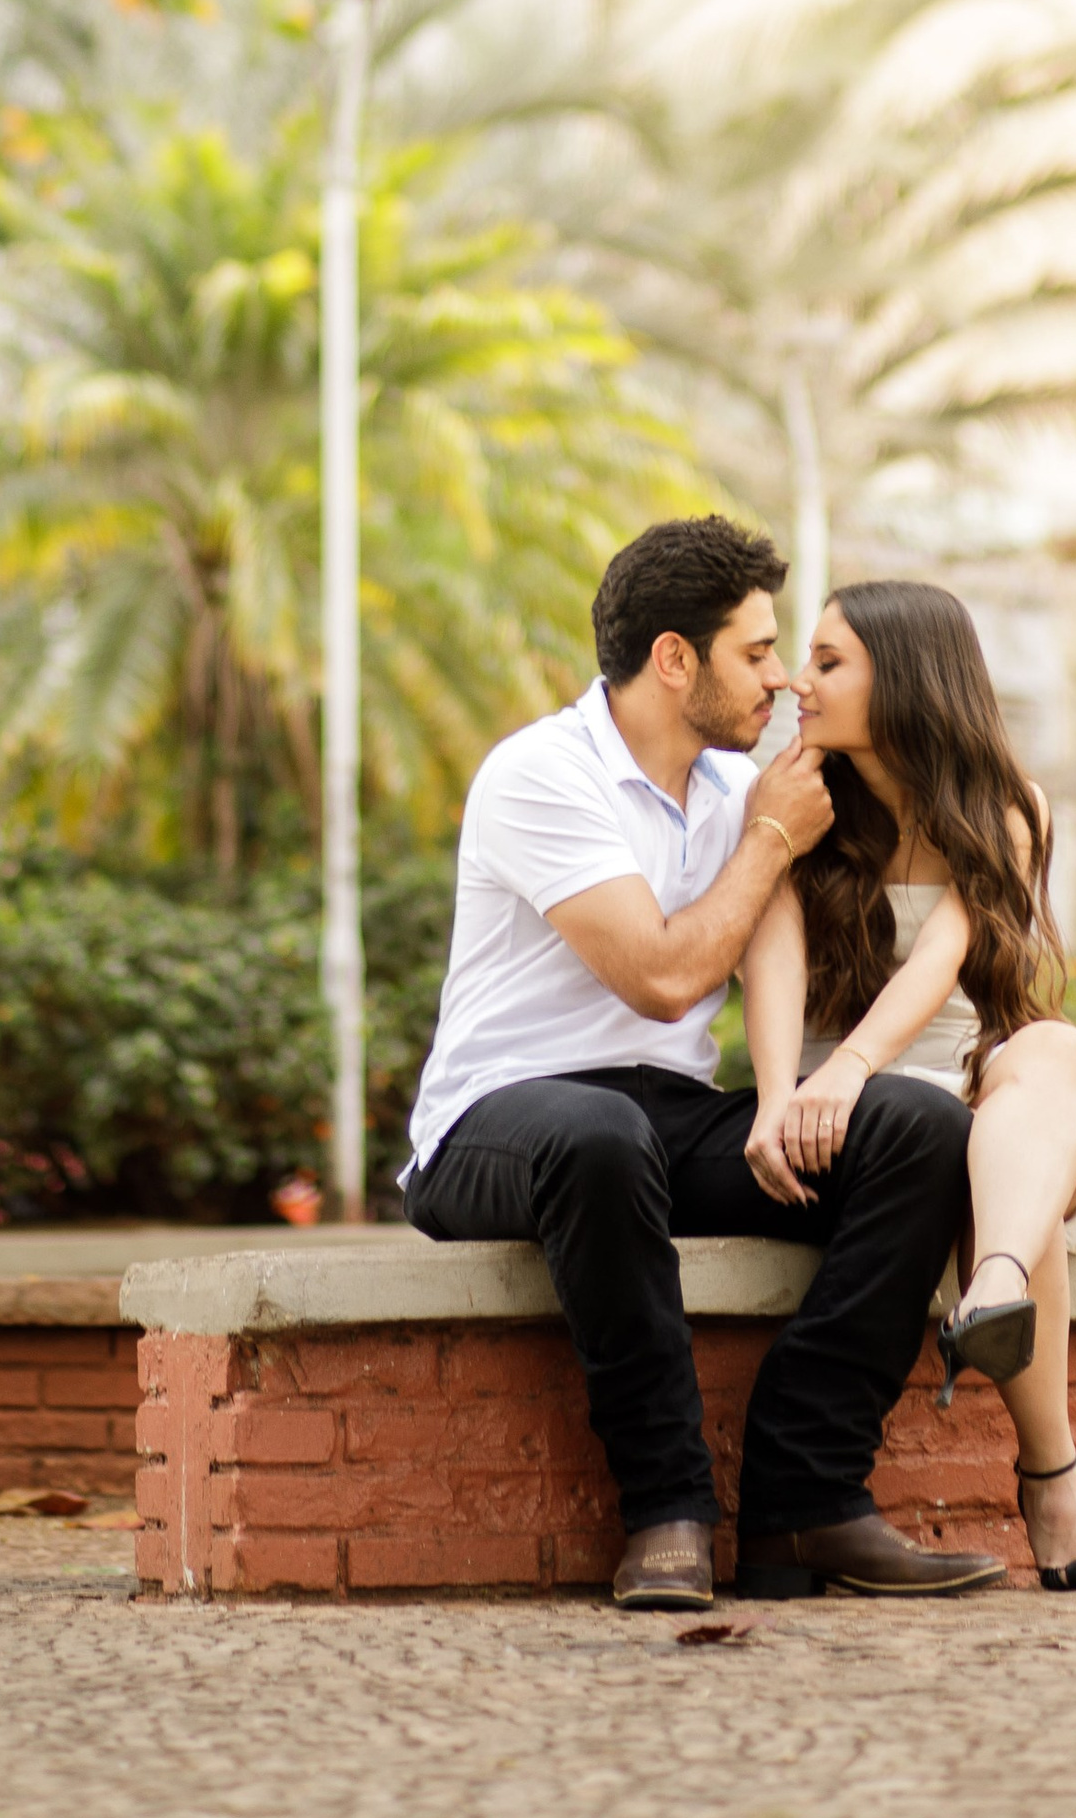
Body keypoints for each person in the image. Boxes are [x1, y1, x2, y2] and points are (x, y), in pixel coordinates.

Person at [400, 513, 1005, 1611]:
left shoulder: (736, 786)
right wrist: (770, 838)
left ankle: (805, 1491)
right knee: (598, 1131)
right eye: (755, 650)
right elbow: (666, 978)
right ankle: (667, 1507)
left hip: (662, 1123)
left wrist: (785, 1098)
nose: (778, 678)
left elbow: (824, 899)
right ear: (674, 659)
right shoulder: (541, 772)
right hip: (498, 1125)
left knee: (917, 1129)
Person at [742, 577, 1076, 1595]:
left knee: (1048, 1048)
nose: (796, 676)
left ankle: (994, 1283)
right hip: (862, 1111)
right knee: (1004, 1177)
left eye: (828, 660)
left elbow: (939, 959)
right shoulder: (797, 798)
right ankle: (1053, 1486)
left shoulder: (1005, 807)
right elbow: (774, 954)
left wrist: (852, 1059)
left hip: (974, 1080)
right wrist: (783, 1087)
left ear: (906, 676)